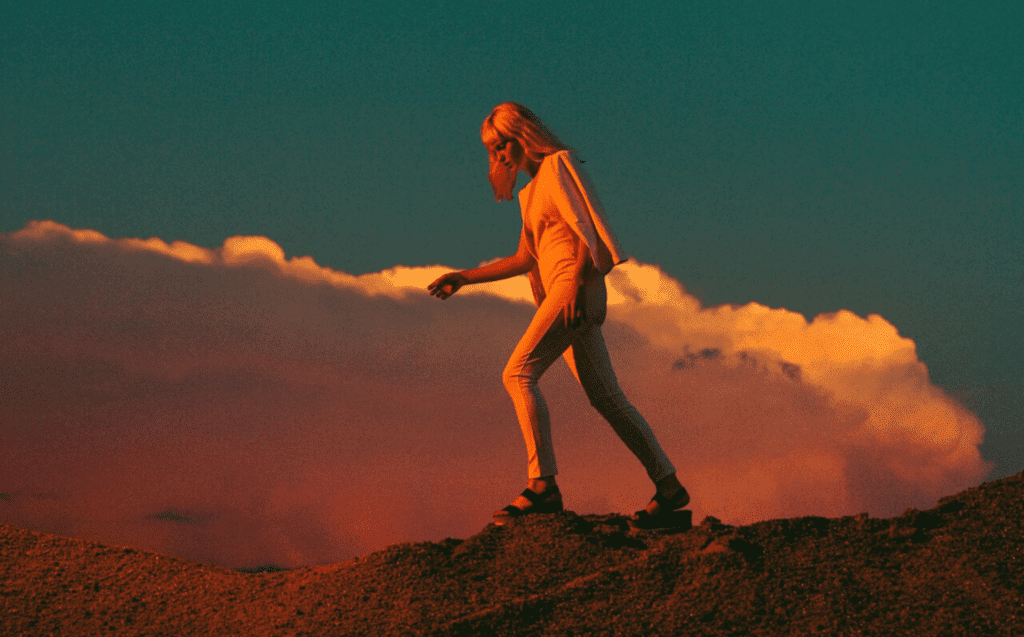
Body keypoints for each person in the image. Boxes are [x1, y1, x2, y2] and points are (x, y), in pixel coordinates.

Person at [428, 102, 688, 527]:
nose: (498, 156)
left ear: (521, 136)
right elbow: (524, 258)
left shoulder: (559, 165)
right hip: (560, 293)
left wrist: (579, 287)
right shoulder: (531, 193)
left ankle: (543, 486)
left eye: (501, 145)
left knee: (518, 374)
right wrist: (463, 277)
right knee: (607, 399)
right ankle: (669, 487)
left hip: (573, 290)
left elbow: (589, 228)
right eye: (491, 150)